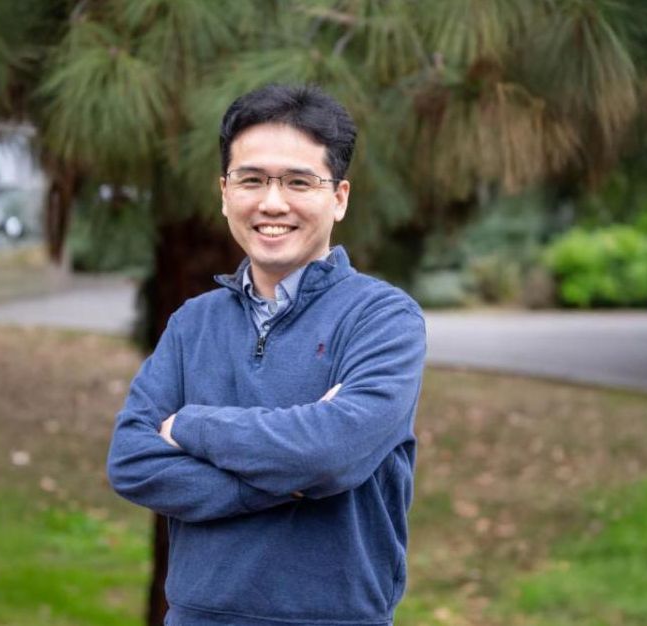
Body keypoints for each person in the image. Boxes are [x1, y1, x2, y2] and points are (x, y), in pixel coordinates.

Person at [107, 84, 427, 626]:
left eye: (299, 182)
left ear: (340, 198)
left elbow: (331, 451)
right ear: (224, 192)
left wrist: (189, 426)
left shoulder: (383, 319)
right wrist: (291, 478)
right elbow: (133, 462)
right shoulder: (192, 323)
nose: (272, 203)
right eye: (251, 180)